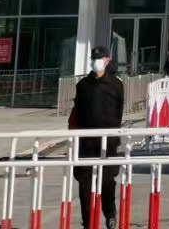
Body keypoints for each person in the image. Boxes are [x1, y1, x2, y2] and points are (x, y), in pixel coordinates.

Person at [72, 47, 124, 229]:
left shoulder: (116, 85)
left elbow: (118, 111)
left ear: (107, 60)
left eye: (99, 58)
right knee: (85, 186)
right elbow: (78, 111)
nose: (96, 61)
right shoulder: (82, 85)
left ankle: (110, 214)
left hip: (108, 143)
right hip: (86, 142)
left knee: (107, 183)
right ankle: (88, 222)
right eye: (93, 58)